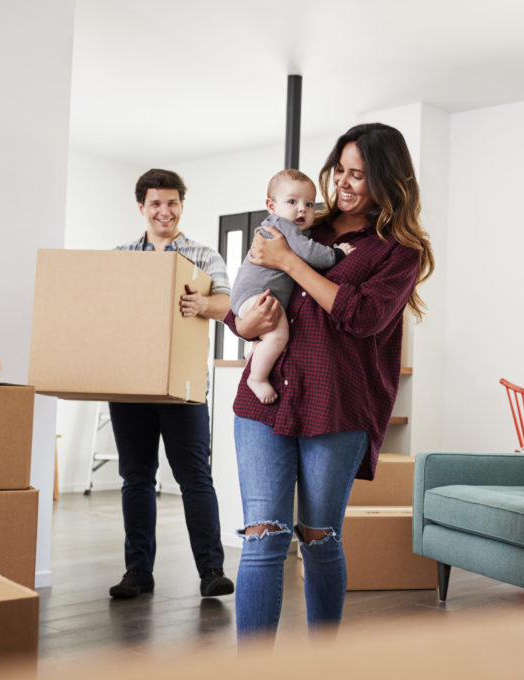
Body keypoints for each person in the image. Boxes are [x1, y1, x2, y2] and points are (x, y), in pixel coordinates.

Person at [223, 123, 434, 638]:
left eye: (358, 174)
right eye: (340, 169)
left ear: (388, 180)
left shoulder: (399, 251)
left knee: (319, 537)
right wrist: (239, 323)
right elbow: (251, 297)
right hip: (266, 402)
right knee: (263, 537)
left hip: (337, 408)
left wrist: (290, 262)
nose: (343, 182)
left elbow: (362, 317)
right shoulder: (301, 222)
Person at [107, 168, 235, 600]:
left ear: (182, 204)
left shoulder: (203, 254)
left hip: (184, 388)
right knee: (136, 477)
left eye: (172, 202)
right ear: (141, 207)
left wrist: (204, 302)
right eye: (156, 203)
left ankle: (211, 570)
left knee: (195, 477)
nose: (165, 210)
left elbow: (227, 304)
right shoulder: (120, 256)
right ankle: (137, 572)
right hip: (130, 386)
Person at [229, 169, 354, 404]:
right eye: (292, 202)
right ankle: (256, 377)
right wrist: (337, 254)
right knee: (278, 335)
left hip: (248, 296)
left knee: (269, 333)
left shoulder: (281, 226)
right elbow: (309, 252)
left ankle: (256, 351)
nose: (302, 209)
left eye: (309, 204)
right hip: (256, 295)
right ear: (271, 205)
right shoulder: (283, 227)